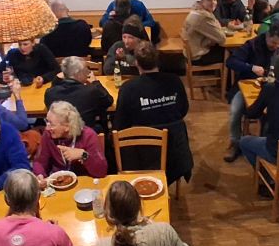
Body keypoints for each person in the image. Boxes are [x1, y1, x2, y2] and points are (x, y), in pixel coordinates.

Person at [113, 42, 193, 185]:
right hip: (175, 153)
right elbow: (183, 110)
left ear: (136, 63)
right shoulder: (175, 81)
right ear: (157, 61)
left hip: (140, 155)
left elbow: (120, 125)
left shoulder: (128, 88)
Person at [223, 23, 279, 162]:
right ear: (267, 36)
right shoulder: (252, 45)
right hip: (247, 86)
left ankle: (266, 145)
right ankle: (235, 142)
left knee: (277, 112)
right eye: (273, 43)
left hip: (273, 88)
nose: (276, 47)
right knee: (235, 111)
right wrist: (250, 67)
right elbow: (231, 61)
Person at [33, 101, 108, 181]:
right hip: (57, 182)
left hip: (84, 182)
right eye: (47, 121)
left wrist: (83, 155)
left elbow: (101, 172)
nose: (47, 128)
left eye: (52, 124)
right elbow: (40, 162)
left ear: (67, 127)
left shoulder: (88, 136)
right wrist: (40, 174)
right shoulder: (48, 134)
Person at [44, 56, 114, 133]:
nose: (88, 72)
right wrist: (95, 83)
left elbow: (54, 89)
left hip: (60, 136)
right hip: (85, 136)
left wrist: (56, 80)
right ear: (78, 74)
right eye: (85, 70)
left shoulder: (50, 93)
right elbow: (109, 101)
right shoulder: (91, 91)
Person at [182, 0, 226, 66]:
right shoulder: (203, 16)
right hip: (198, 56)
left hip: (191, 53)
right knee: (231, 53)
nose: (213, 2)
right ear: (202, 1)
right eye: (209, 0)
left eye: (215, 0)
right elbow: (221, 39)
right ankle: (228, 74)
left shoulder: (196, 11)